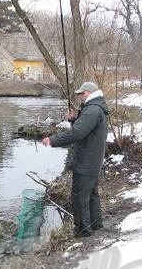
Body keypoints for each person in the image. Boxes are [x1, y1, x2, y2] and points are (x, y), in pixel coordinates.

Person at [42, 81, 109, 237]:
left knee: (79, 197)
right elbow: (85, 130)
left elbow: (77, 133)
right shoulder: (94, 108)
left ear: (89, 93)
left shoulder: (92, 110)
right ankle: (96, 225)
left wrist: (53, 140)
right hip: (92, 160)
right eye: (79, 95)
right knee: (91, 194)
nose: (79, 97)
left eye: (81, 94)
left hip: (87, 161)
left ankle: (83, 231)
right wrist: (74, 119)